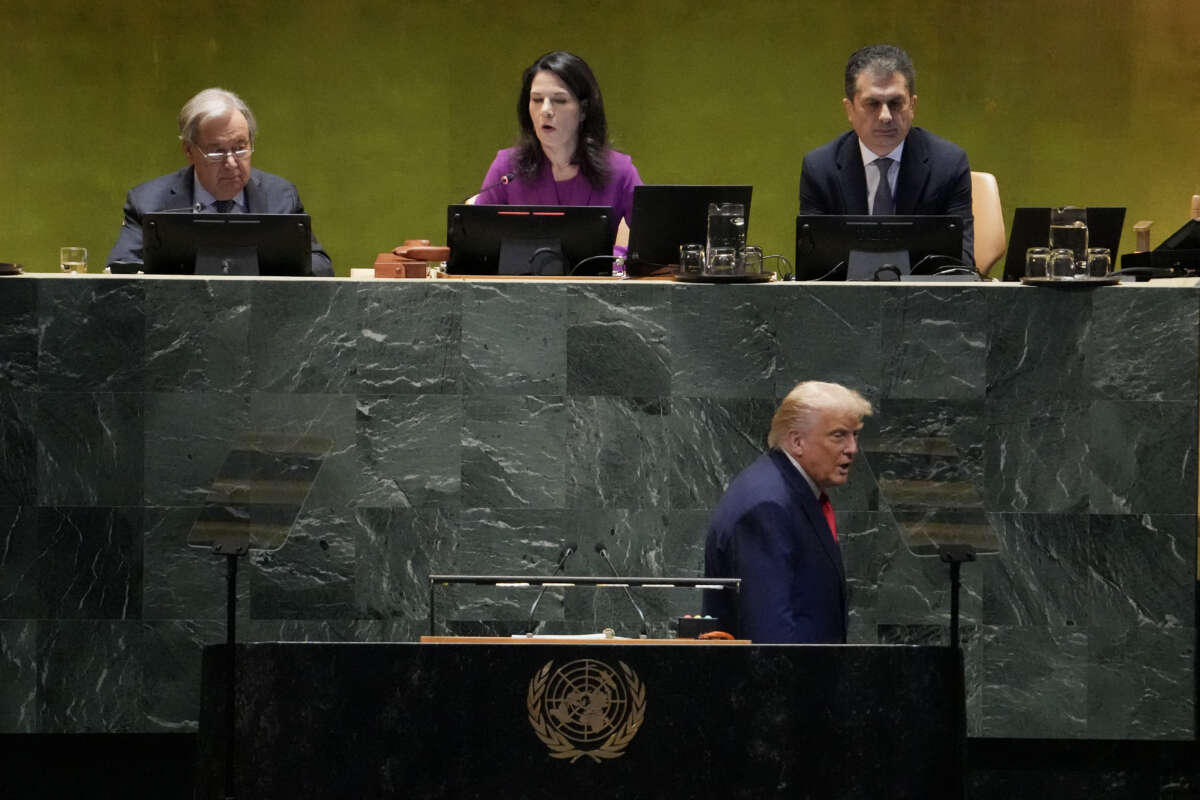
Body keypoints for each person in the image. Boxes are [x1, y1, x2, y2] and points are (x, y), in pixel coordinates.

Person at [703, 381, 873, 643]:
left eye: (855, 434)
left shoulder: (786, 490)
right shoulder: (767, 507)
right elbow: (771, 640)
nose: (852, 448)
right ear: (797, 442)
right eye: (839, 435)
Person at [106, 87, 332, 276]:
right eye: (217, 152)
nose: (232, 163)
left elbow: (321, 266)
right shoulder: (147, 202)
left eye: (240, 148)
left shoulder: (281, 197)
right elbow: (121, 271)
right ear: (189, 151)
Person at [798, 44, 974, 267]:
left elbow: (961, 262)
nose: (885, 116)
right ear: (849, 110)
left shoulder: (948, 164)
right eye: (872, 104)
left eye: (895, 103)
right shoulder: (820, 169)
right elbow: (814, 267)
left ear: (913, 105)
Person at [473, 50, 642, 256]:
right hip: (521, 286)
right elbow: (476, 240)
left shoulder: (619, 170)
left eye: (559, 100)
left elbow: (652, 240)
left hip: (596, 286)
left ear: (584, 110)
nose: (545, 110)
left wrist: (614, 258)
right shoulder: (507, 167)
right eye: (536, 99)